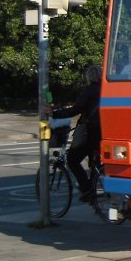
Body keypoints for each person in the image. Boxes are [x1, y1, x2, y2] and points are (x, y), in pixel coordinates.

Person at [48, 65, 101, 202]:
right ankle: (96, 185)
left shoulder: (89, 91)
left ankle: (87, 189)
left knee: (72, 160)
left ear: (89, 77)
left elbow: (75, 110)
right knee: (95, 161)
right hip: (106, 132)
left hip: (91, 132)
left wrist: (54, 114)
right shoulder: (109, 90)